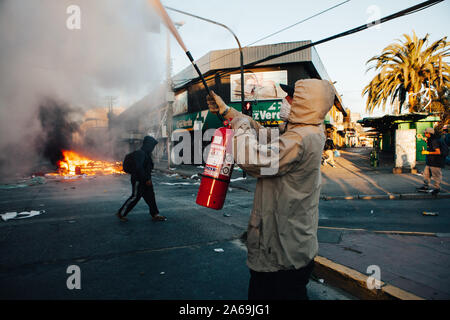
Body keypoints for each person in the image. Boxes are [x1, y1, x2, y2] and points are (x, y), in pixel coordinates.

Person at [207, 79, 335, 300]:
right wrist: (228, 112)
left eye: (291, 98)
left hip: (282, 253)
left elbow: (252, 158)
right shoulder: (302, 131)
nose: (284, 101)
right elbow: (260, 133)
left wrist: (239, 126)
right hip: (287, 246)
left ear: (305, 104)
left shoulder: (300, 139)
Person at [116, 136, 167, 222]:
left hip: (146, 180)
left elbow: (146, 168)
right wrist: (146, 179)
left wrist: (148, 179)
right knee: (135, 197)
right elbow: (139, 168)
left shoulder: (146, 155)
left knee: (151, 197)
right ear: (148, 145)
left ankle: (155, 214)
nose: (153, 148)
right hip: (138, 180)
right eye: (152, 146)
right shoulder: (140, 154)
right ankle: (121, 213)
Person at [416, 127, 443, 195]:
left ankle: (437, 188)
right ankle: (425, 186)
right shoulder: (430, 139)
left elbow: (438, 152)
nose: (424, 133)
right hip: (430, 161)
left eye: (425, 132)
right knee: (426, 174)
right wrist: (422, 138)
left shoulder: (434, 141)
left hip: (435, 162)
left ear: (429, 133)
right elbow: (428, 141)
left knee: (436, 175)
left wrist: (427, 152)